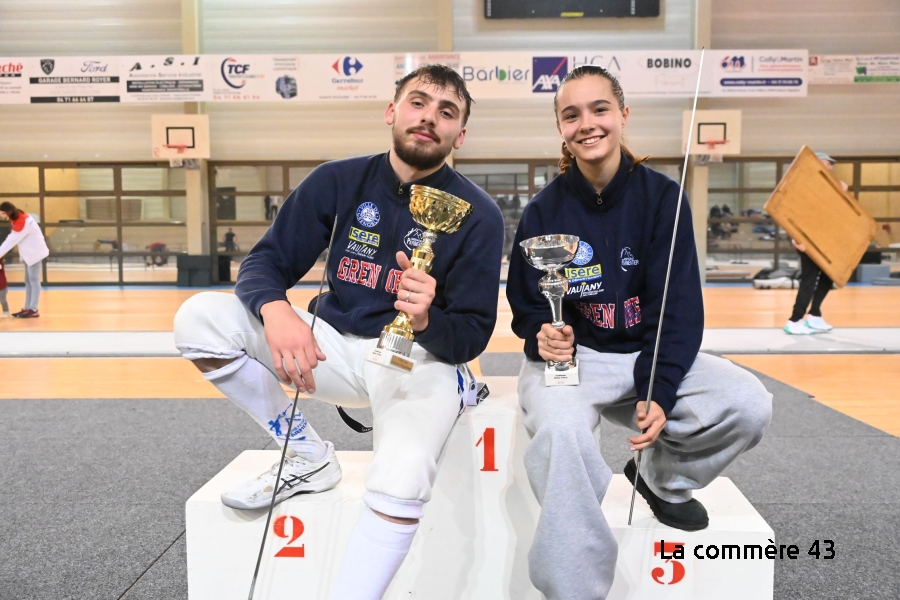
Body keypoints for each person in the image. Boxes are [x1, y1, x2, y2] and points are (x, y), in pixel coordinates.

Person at [173, 64, 503, 599]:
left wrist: (425, 319)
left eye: (447, 112)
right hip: (325, 347)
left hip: (416, 360)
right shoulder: (337, 180)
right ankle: (304, 453)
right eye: (418, 102)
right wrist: (276, 311)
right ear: (391, 110)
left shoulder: (478, 214)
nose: (429, 118)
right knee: (198, 319)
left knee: (400, 479)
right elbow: (264, 264)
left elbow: (471, 333)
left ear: (459, 135)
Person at [506, 66, 773, 600]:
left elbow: (678, 312)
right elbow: (525, 302)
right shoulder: (543, 211)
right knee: (561, 435)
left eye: (599, 109)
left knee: (748, 403)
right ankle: (573, 588)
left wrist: (659, 387)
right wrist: (541, 332)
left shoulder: (663, 199)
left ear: (623, 115)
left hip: (641, 355)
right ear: (560, 127)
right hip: (574, 361)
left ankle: (661, 480)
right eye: (571, 113)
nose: (587, 123)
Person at [783, 151, 844, 335]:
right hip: (807, 243)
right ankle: (794, 320)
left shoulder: (830, 187)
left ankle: (814, 314)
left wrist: (842, 194)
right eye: (828, 163)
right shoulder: (805, 186)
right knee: (809, 281)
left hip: (824, 241)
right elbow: (791, 212)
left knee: (827, 277)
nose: (831, 167)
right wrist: (796, 238)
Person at [0, 202, 50, 319]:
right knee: (28, 280)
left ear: (9, 212)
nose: (2, 217)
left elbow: (10, 242)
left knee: (33, 279)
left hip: (35, 253)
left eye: (3, 214)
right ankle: (27, 308)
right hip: (29, 254)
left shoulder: (23, 222)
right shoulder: (19, 217)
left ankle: (33, 309)